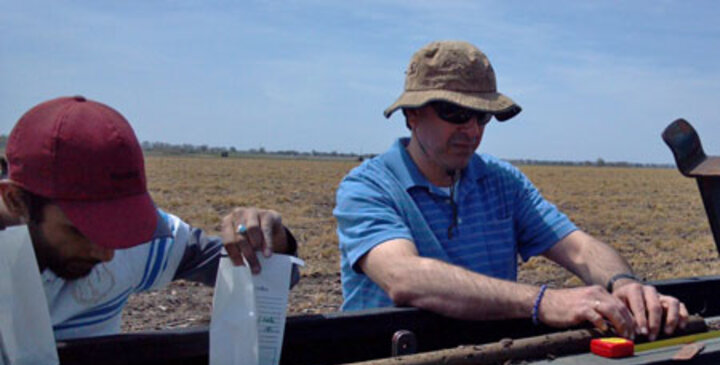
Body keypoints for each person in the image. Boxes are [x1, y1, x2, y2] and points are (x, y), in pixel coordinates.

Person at [334, 40, 687, 341]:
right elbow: (404, 277)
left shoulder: (502, 182)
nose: (471, 130)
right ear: (412, 114)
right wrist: (545, 302)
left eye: (482, 116)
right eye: (454, 112)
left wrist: (623, 284)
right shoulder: (368, 187)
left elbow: (578, 249)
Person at [0, 96, 297, 339]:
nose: (106, 253)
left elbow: (272, 275)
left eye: (119, 227)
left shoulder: (137, 246)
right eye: (82, 231)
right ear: (16, 201)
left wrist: (269, 238)